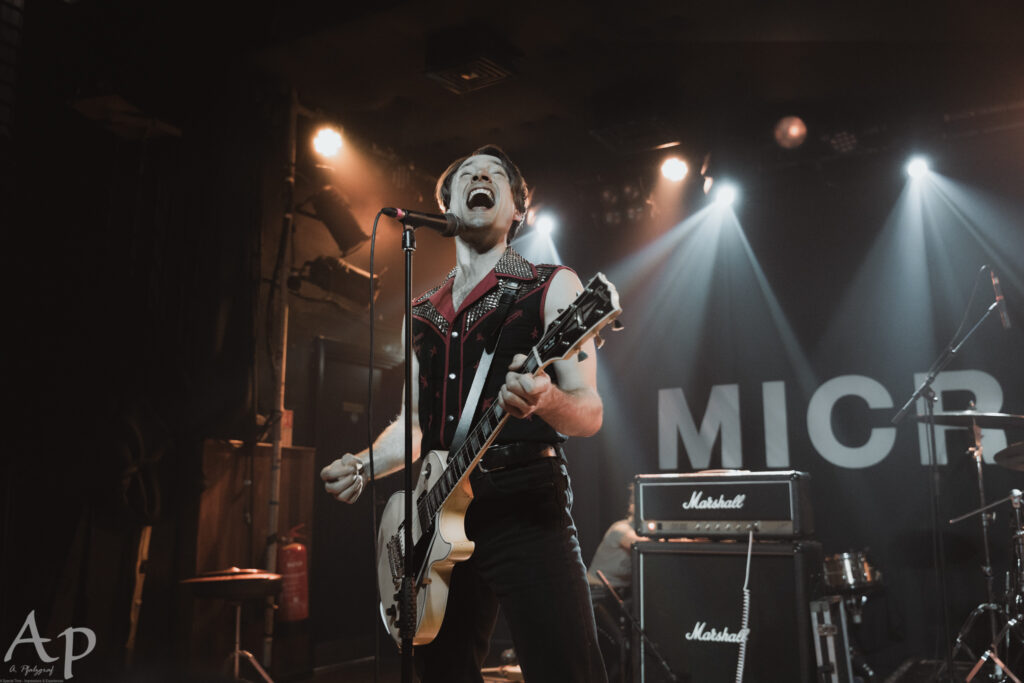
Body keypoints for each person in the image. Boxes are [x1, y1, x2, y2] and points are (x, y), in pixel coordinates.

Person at [320, 145, 608, 683]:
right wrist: (361, 465)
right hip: (439, 522)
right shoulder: (422, 314)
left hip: (526, 507)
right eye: (467, 174)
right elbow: (412, 426)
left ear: (517, 210)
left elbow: (589, 413)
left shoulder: (553, 285)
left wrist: (547, 399)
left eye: (496, 173)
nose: (480, 175)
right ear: (447, 206)